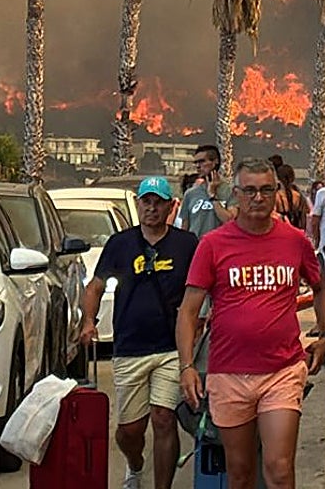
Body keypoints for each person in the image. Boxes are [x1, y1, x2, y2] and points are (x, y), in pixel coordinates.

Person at [176, 159, 325, 489]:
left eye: (266, 190)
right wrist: (187, 366)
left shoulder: (294, 241)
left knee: (279, 469)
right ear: (236, 194)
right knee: (240, 471)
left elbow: (321, 287)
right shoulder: (213, 244)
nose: (258, 198)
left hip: (282, 370)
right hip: (228, 372)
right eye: (249, 190)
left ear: (277, 192)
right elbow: (189, 310)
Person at [80, 176, 197, 489]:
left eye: (159, 201)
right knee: (130, 430)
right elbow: (95, 286)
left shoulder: (187, 245)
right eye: (147, 201)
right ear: (138, 204)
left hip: (171, 348)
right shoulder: (121, 243)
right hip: (130, 347)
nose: (152, 207)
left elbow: (202, 288)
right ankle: (135, 463)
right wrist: (88, 320)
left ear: (171, 206)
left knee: (163, 417)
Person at [179, 144, 233, 237]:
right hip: (197, 247)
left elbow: (230, 221)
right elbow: (185, 228)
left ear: (215, 161)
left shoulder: (230, 191)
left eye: (202, 161)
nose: (198, 166)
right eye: (196, 163)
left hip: (221, 247)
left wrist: (212, 196)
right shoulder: (191, 193)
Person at [275, 164, 310, 230]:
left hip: (281, 230)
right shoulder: (298, 196)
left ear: (278, 178)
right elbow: (304, 214)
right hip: (296, 230)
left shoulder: (276, 196)